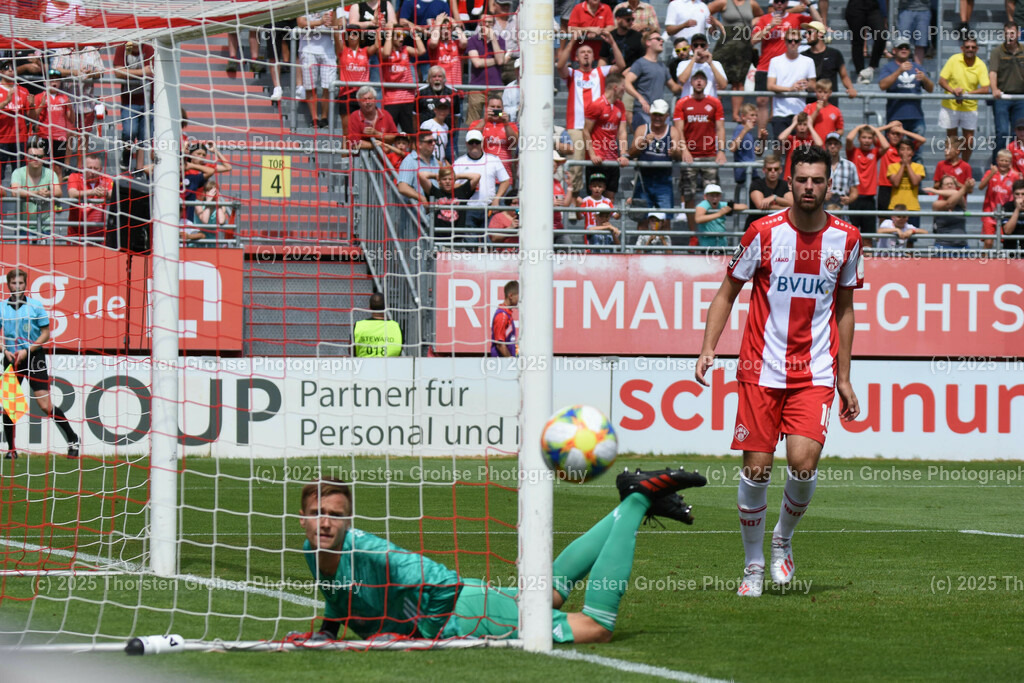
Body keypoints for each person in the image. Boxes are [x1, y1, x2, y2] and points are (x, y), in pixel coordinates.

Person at [695, 144, 863, 599]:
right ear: (789, 182)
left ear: (830, 184)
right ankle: (752, 566)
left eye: (818, 180)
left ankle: (782, 539)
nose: (809, 187)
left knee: (804, 465)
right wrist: (708, 348)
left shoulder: (847, 238)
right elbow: (728, 291)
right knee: (757, 470)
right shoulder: (763, 232)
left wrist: (845, 377)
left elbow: (845, 310)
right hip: (759, 368)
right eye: (802, 179)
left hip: (816, 370)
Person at [294, 468, 705, 642]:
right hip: (473, 604)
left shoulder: (371, 550)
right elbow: (339, 594)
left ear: (349, 521)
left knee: (595, 627)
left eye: (334, 515)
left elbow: (439, 583)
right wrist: (329, 631)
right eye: (317, 515)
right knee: (549, 596)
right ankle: (634, 497)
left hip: (465, 613)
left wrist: (409, 634)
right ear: (302, 520)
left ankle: (638, 500)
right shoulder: (314, 551)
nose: (325, 523)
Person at [1, 268, 81, 460]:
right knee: (9, 406)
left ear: (25, 284)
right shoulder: (2, 307)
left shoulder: (36, 306)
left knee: (44, 405)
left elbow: (45, 333)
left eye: (21, 283)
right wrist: (4, 350)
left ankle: (72, 438)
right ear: (8, 285)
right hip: (11, 358)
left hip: (34, 357)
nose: (17, 287)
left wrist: (28, 350)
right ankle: (12, 450)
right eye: (14, 283)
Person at [557, 40, 624, 194]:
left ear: (593, 57)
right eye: (582, 52)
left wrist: (613, 44)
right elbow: (560, 66)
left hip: (596, 127)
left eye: (589, 52)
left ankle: (597, 201)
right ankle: (573, 201)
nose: (586, 54)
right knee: (576, 164)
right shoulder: (573, 73)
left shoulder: (599, 72)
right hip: (577, 126)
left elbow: (621, 66)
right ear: (576, 58)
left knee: (598, 162)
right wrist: (572, 42)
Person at [674, 70, 726, 238]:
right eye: (695, 79)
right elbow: (678, 130)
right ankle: (693, 235)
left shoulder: (715, 103)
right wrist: (684, 150)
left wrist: (721, 151)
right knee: (688, 195)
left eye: (701, 79)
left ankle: (711, 233)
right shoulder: (682, 103)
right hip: (690, 156)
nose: (698, 82)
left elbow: (720, 128)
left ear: (706, 83)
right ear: (691, 83)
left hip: (710, 155)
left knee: (713, 196)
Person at [750, 0, 816, 131]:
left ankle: (782, 132)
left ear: (787, 3)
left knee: (782, 100)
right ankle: (761, 137)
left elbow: (818, 21)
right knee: (761, 102)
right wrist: (770, 26)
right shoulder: (764, 19)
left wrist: (809, 4)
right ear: (772, 3)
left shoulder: (795, 17)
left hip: (786, 67)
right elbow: (752, 40)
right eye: (776, 1)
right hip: (765, 65)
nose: (779, 3)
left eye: (783, 1)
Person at [937, 35, 990, 164]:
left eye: (973, 47)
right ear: (962, 48)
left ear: (977, 49)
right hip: (951, 105)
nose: (970, 49)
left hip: (969, 107)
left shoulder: (980, 64)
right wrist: (954, 91)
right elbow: (942, 80)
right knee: (952, 139)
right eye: (967, 47)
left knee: (969, 141)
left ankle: (964, 166)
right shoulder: (953, 59)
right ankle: (952, 165)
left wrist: (966, 94)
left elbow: (985, 89)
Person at [707, 0, 761, 120]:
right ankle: (715, 111)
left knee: (739, 82)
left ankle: (736, 114)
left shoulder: (751, 3)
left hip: (743, 46)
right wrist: (715, 24)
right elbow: (705, 11)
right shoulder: (724, 2)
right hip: (725, 45)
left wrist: (754, 23)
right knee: (719, 80)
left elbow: (761, 16)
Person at [453, 129, 511, 238]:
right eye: (471, 142)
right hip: (468, 208)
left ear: (482, 142)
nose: (474, 145)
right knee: (470, 244)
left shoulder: (493, 159)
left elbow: (506, 181)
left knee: (488, 243)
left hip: (488, 207)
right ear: (466, 144)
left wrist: (497, 198)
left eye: (477, 142)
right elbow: (451, 185)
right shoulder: (459, 162)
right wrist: (466, 187)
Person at [627, 98, 681, 211]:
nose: (657, 118)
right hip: (643, 179)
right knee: (642, 218)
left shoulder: (673, 131)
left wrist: (675, 153)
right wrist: (644, 143)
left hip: (664, 180)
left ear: (666, 116)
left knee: (665, 218)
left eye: (660, 115)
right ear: (650, 114)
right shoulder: (642, 129)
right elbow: (631, 153)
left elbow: (679, 156)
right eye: (655, 114)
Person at [766, 28, 817, 141]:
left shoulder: (808, 61)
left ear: (800, 42)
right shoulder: (775, 61)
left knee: (799, 149)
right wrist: (790, 89)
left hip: (800, 112)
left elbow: (813, 85)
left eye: (796, 41)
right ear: (785, 41)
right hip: (780, 112)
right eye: (789, 41)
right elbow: (770, 86)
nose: (793, 43)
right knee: (780, 147)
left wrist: (806, 84)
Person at [583, 73, 628, 201]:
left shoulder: (620, 106)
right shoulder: (597, 105)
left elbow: (622, 131)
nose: (625, 90)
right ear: (615, 87)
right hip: (598, 159)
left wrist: (623, 154)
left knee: (610, 200)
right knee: (595, 199)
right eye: (623, 86)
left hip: (612, 159)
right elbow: (586, 131)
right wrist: (592, 154)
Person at [624, 30, 679, 131]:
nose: (661, 41)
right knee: (643, 145)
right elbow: (627, 83)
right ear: (648, 42)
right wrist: (640, 98)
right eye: (658, 39)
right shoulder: (640, 63)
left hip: (659, 113)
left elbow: (674, 88)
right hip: (642, 113)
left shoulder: (662, 66)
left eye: (662, 39)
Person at [112, 40, 154, 172]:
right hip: (129, 100)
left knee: (144, 136)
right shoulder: (124, 48)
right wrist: (142, 71)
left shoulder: (148, 49)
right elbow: (118, 71)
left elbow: (151, 71)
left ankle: (139, 169)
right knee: (130, 132)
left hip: (148, 101)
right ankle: (126, 154)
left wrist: (128, 72)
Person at [877, 43, 933, 138]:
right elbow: (882, 85)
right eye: (900, 47)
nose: (904, 49)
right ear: (894, 50)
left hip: (916, 116)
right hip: (895, 117)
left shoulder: (917, 67)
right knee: (893, 151)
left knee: (916, 151)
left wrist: (925, 79)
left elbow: (931, 89)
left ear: (909, 51)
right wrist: (899, 71)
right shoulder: (888, 67)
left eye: (906, 47)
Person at [845, 124, 889, 244]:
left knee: (868, 237)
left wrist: (875, 130)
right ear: (859, 139)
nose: (867, 140)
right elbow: (849, 138)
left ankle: (868, 261)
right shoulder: (853, 151)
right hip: (854, 198)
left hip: (869, 199)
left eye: (870, 138)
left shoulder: (874, 152)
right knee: (851, 236)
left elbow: (886, 145)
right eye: (864, 137)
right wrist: (859, 127)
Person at [9, 138, 61, 237]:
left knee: (45, 253)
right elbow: (15, 192)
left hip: (45, 226)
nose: (36, 159)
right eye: (32, 156)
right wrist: (38, 193)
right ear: (26, 157)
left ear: (44, 158)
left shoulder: (50, 173)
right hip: (22, 226)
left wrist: (48, 193)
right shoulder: (18, 172)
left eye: (39, 156)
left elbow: (58, 192)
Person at [380, 23, 425, 134]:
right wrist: (390, 33)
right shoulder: (383, 50)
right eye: (398, 35)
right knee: (389, 134)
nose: (401, 38)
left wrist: (414, 33)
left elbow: (422, 51)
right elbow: (385, 53)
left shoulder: (406, 49)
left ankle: (412, 152)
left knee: (411, 134)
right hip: (391, 100)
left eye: (403, 35)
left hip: (407, 98)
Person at [296, 9, 338, 128]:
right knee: (310, 86)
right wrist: (320, 22)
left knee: (328, 86)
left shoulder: (331, 4)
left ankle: (324, 118)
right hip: (308, 49)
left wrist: (332, 21)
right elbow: (300, 22)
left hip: (328, 49)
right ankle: (314, 118)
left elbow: (337, 25)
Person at [989, 23, 1024, 164]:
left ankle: (1016, 165)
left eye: (1012, 33)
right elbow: (993, 72)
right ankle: (996, 166)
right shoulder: (997, 51)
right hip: (1002, 97)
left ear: (1018, 34)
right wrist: (994, 88)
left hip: (1020, 97)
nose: (1010, 37)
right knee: (1002, 133)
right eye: (1007, 33)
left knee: (1018, 134)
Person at [800, 21, 858, 104]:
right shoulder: (803, 56)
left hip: (829, 103)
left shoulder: (834, 54)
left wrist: (850, 88)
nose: (806, 35)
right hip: (810, 104)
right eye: (805, 33)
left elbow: (844, 75)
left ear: (820, 34)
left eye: (809, 32)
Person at [419, 166, 480, 244]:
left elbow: (477, 176)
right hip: (438, 239)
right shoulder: (435, 192)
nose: (447, 181)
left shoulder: (462, 191)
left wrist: (456, 176)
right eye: (444, 179)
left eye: (450, 179)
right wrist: (437, 176)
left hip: (457, 240)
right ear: (439, 181)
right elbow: (421, 175)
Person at [336, 26, 377, 138]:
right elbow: (336, 35)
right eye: (349, 33)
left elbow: (377, 45)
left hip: (363, 95)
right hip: (346, 94)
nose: (352, 36)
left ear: (360, 36)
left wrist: (379, 28)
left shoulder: (365, 51)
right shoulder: (342, 50)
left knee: (365, 131)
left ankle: (361, 155)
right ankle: (345, 156)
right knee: (347, 132)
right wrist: (334, 12)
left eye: (355, 33)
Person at [465, 14, 507, 123]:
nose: (487, 25)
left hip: (495, 86)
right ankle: (473, 139)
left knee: (498, 118)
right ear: (480, 23)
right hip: (476, 87)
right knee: (473, 121)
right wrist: (495, 60)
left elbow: (501, 61)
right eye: (484, 22)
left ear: (493, 24)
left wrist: (493, 38)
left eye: (489, 22)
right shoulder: (472, 40)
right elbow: (477, 63)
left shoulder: (500, 40)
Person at [978, 149, 1020, 249]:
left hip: (1005, 214)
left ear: (1010, 162)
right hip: (990, 213)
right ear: (997, 160)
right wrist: (991, 174)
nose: (1004, 163)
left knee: (1005, 242)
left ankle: (1002, 263)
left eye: (1006, 161)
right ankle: (983, 263)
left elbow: (1019, 190)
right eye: (1001, 160)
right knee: (988, 242)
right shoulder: (990, 172)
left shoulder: (1014, 176)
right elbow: (980, 187)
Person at [31, 79, 72, 181]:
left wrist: (70, 107)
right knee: (42, 166)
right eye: (51, 81)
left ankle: (58, 194)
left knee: (58, 169)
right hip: (44, 135)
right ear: (45, 83)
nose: (54, 83)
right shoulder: (39, 97)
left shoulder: (64, 98)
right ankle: (42, 192)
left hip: (59, 137)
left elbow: (71, 119)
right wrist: (41, 105)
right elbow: (32, 116)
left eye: (57, 81)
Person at [66, 152, 113, 239]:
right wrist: (92, 192)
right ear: (83, 168)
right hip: (76, 235)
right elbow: (72, 194)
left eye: (96, 168)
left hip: (98, 236)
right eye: (89, 168)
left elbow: (113, 193)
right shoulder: (74, 177)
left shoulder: (106, 179)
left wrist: (106, 193)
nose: (92, 171)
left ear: (101, 169)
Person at [471, 94, 518, 181]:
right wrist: (485, 120)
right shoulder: (477, 124)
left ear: (503, 109)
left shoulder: (511, 125)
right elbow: (471, 138)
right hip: (484, 176)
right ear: (486, 108)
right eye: (492, 107)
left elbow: (514, 143)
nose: (495, 109)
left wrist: (506, 124)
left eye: (498, 107)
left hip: (505, 178)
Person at [0, 61, 31, 183]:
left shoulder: (23, 91)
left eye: (13, 68)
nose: (11, 71)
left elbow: (32, 116)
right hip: (1, 140)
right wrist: (7, 100)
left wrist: (35, 106)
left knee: (20, 178)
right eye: (7, 68)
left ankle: (20, 202)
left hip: (20, 139)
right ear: (1, 71)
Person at [925, 174, 973, 250]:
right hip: (943, 246)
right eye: (947, 184)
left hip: (962, 246)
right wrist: (965, 188)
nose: (950, 186)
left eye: (952, 184)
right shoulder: (936, 204)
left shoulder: (961, 200)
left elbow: (955, 193)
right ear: (941, 187)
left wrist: (935, 191)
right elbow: (949, 204)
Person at [674, 33, 727, 100]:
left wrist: (710, 63)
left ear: (706, 46)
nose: (699, 48)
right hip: (689, 104)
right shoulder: (683, 64)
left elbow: (723, 85)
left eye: (702, 45)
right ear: (691, 47)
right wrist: (693, 59)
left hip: (708, 104)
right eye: (696, 45)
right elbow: (682, 80)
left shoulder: (716, 64)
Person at [729, 103, 768, 191]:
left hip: (752, 172)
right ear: (743, 117)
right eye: (752, 115)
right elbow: (732, 148)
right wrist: (745, 130)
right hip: (744, 173)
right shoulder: (740, 129)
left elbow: (758, 153)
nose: (755, 118)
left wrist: (763, 139)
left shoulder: (750, 133)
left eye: (756, 115)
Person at [844, 0, 885, 84]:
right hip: (855, 5)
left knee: (881, 34)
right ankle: (860, 73)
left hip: (873, 6)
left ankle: (871, 67)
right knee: (857, 41)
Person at [397, 130, 443, 203]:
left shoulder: (435, 161)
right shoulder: (409, 161)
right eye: (429, 142)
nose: (434, 143)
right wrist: (421, 198)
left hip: (434, 210)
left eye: (435, 141)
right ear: (419, 144)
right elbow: (402, 187)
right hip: (417, 212)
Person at [747, 153, 793, 226]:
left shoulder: (784, 185)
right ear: (764, 170)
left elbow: (792, 204)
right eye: (769, 169)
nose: (773, 171)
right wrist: (784, 208)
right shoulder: (757, 184)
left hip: (778, 227)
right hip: (757, 226)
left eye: (776, 169)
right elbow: (761, 205)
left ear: (780, 170)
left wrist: (774, 198)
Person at [348, 86, 399, 151]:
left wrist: (376, 134)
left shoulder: (385, 114)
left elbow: (394, 137)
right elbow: (355, 144)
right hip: (361, 158)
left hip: (383, 159)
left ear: (375, 100)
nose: (368, 102)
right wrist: (380, 146)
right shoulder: (355, 116)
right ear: (359, 102)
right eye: (364, 100)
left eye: (370, 98)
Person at [577, 174, 622, 247]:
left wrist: (624, 207)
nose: (597, 188)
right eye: (594, 186)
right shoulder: (586, 200)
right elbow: (579, 217)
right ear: (590, 187)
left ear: (604, 188)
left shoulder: (607, 201)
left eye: (600, 186)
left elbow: (616, 216)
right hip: (592, 234)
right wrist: (577, 205)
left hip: (605, 232)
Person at [353, 292, 403, 357]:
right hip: (390, 365)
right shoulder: (396, 327)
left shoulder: (359, 326)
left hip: (364, 365)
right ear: (387, 306)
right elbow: (400, 349)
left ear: (369, 307)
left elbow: (352, 351)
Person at [427, 14, 468, 87]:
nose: (445, 31)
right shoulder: (434, 43)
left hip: (456, 87)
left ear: (452, 29)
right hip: (439, 87)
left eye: (448, 28)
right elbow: (433, 42)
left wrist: (455, 25)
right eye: (442, 28)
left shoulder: (456, 43)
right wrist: (437, 24)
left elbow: (464, 42)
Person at [777, 112, 822, 178]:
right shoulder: (791, 139)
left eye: (805, 124)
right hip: (790, 176)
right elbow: (781, 138)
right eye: (799, 124)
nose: (802, 127)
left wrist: (810, 126)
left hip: (805, 177)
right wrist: (794, 124)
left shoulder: (811, 140)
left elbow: (819, 144)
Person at [885, 138, 926, 212]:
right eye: (902, 149)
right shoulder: (892, 167)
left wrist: (907, 164)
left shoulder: (919, 167)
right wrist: (903, 165)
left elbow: (915, 182)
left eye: (908, 149)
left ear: (913, 152)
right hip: (895, 207)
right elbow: (896, 183)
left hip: (912, 207)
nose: (905, 152)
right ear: (898, 152)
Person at [824, 133, 859, 214]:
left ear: (840, 146)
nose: (832, 146)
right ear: (825, 146)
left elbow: (854, 191)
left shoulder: (850, 166)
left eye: (835, 144)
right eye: (830, 144)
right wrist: (822, 196)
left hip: (842, 209)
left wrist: (849, 199)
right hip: (823, 209)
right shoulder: (819, 165)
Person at [601, 7, 644, 71]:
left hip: (631, 73)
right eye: (628, 20)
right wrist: (599, 73)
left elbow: (642, 59)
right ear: (618, 19)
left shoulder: (638, 36)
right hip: (613, 74)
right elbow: (603, 58)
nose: (631, 22)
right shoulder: (610, 36)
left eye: (632, 19)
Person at [802, 79, 843, 143]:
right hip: (812, 145)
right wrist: (817, 111)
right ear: (816, 92)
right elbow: (805, 125)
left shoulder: (836, 110)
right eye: (820, 92)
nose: (822, 95)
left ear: (830, 93)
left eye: (825, 92)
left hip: (827, 147)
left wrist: (834, 134)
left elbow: (840, 130)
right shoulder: (809, 107)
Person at [896, 0, 930, 64]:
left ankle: (918, 70)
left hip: (924, 9)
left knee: (920, 44)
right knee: (902, 43)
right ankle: (903, 70)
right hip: (905, 9)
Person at [490, 280, 517, 357]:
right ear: (511, 296)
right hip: (501, 364)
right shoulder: (502, 315)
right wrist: (511, 361)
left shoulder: (507, 314)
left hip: (506, 363)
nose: (520, 299)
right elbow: (500, 345)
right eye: (519, 296)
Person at [998, 178, 1024, 245]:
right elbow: (1007, 231)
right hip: (1010, 250)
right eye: (1017, 194)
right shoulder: (1007, 206)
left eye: (1023, 194)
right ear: (1013, 194)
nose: (1020, 197)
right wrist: (1017, 209)